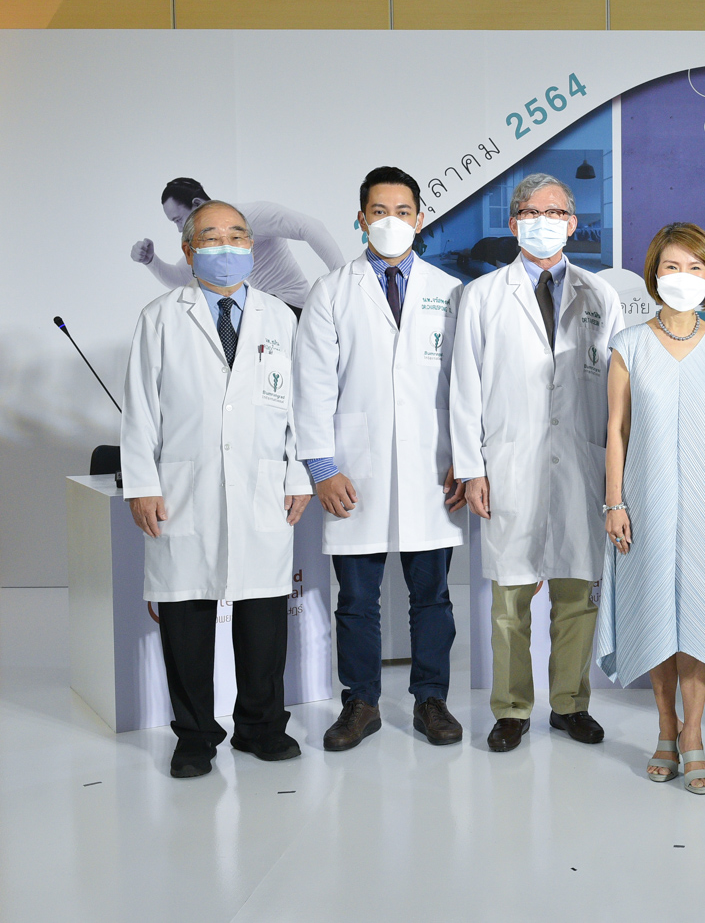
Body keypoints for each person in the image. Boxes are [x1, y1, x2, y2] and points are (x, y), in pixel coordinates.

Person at [120, 200, 311, 778]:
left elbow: (299, 406)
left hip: (262, 483)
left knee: (263, 614)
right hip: (184, 486)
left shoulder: (280, 317)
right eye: (211, 237)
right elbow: (140, 409)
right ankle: (195, 735)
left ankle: (261, 726)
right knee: (186, 614)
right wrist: (142, 483)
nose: (226, 246)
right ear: (187, 249)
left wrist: (299, 472)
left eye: (237, 235)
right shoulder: (159, 317)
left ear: (252, 245)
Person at [450, 173, 625, 753]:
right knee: (510, 599)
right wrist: (472, 468)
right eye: (530, 212)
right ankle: (511, 708)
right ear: (513, 223)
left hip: (582, 462)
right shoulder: (483, 295)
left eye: (555, 212)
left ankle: (571, 703)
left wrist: (618, 477)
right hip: (509, 462)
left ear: (573, 223)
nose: (542, 221)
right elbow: (464, 387)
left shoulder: (600, 295)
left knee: (577, 592)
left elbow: (620, 392)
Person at [294, 166, 466, 751]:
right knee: (357, 600)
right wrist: (322, 467)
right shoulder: (331, 292)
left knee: (432, 596)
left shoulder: (450, 291)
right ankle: (361, 701)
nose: (391, 220)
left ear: (420, 218)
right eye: (379, 211)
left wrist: (465, 458)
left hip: (432, 468)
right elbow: (312, 384)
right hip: (353, 468)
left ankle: (431, 699)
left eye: (402, 211)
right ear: (361, 219)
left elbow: (465, 385)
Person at [595, 222, 705, 796]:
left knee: (700, 619)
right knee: (656, 613)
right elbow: (616, 430)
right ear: (654, 275)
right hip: (646, 498)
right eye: (671, 267)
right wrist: (615, 502)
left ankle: (693, 736)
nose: (683, 277)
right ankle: (665, 728)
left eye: (694, 268)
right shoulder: (629, 346)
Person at [131, 177, 346, 313]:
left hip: (293, 308)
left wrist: (343, 281)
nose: (180, 229)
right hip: (265, 309)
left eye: (178, 219)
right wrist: (151, 261)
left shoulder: (250, 217)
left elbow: (310, 227)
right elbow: (182, 277)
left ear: (196, 204)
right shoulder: (207, 239)